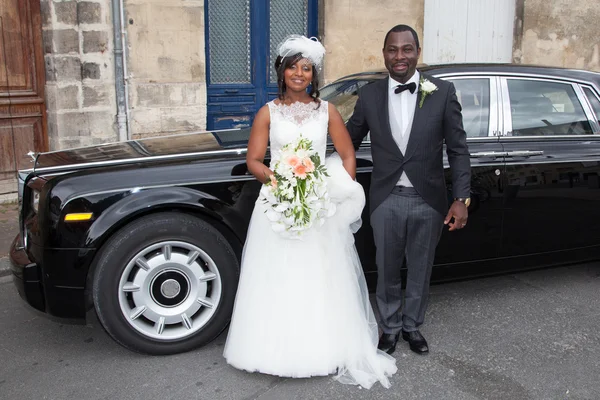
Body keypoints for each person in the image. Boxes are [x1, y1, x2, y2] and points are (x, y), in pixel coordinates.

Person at [223, 35, 397, 389]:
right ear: (282, 72)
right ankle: (271, 351)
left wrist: (330, 191)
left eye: (306, 68)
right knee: (276, 277)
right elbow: (253, 160)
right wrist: (279, 184)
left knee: (318, 277)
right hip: (277, 206)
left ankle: (321, 349)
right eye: (293, 67)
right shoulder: (267, 113)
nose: (299, 74)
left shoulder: (327, 111)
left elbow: (348, 154)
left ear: (313, 75)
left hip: (317, 207)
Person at [346, 25, 471, 355]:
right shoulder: (369, 95)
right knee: (386, 268)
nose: (399, 56)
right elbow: (348, 143)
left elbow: (458, 148)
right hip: (385, 200)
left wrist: (461, 198)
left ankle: (413, 326)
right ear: (384, 53)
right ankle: (389, 327)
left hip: (429, 200)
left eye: (406, 49)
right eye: (392, 49)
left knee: (420, 268)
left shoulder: (442, 92)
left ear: (418, 52)